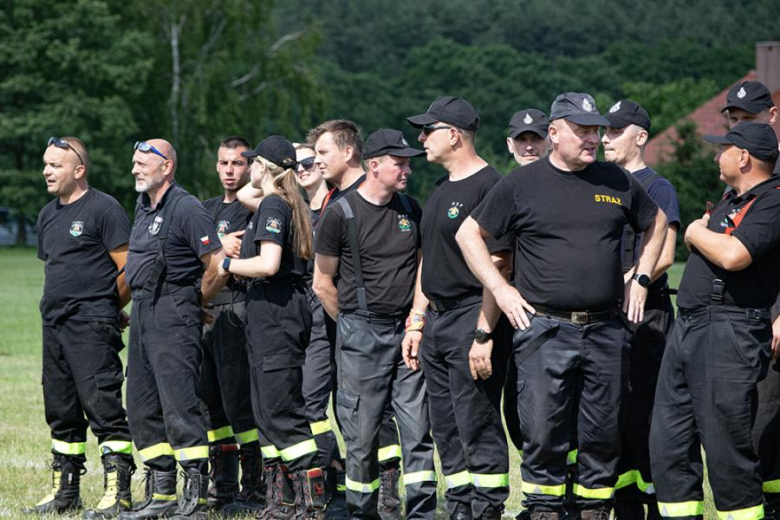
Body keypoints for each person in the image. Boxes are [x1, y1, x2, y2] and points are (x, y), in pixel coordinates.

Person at [457, 92, 666, 520]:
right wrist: (501, 289)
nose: (593, 138)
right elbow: (468, 235)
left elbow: (657, 222)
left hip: (607, 330)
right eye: (582, 130)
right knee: (543, 434)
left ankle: (592, 512)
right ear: (554, 133)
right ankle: (544, 511)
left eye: (596, 130)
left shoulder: (617, 180)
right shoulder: (520, 184)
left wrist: (641, 277)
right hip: (545, 332)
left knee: (603, 435)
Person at [649, 123, 780, 520]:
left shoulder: (772, 200)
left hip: (730, 330)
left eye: (722, 149)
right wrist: (705, 234)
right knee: (668, 440)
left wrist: (692, 231)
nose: (714, 155)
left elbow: (733, 255)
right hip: (689, 327)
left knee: (726, 449)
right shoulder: (731, 198)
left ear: (744, 157)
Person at [313, 128, 437, 520]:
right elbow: (322, 283)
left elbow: (423, 266)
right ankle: (361, 512)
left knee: (418, 434)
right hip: (360, 334)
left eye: (408, 163)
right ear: (374, 165)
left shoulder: (411, 210)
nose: (407, 170)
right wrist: (351, 325)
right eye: (399, 163)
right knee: (362, 438)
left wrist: (416, 319)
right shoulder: (340, 214)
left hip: (407, 336)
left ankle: (420, 513)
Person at [403, 96, 513, 520]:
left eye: (428, 130)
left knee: (477, 424)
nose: (421, 138)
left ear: (454, 135)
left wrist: (484, 333)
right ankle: (462, 509)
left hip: (473, 315)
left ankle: (487, 511)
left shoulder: (492, 186)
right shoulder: (440, 188)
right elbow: (428, 258)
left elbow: (500, 266)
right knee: (446, 428)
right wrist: (416, 320)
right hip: (437, 320)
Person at [220, 135, 327, 519]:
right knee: (266, 412)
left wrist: (227, 265)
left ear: (264, 167)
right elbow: (249, 194)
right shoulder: (280, 201)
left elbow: (267, 264)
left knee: (281, 412)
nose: (246, 168)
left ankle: (310, 503)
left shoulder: (273, 205)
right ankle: (280, 502)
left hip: (277, 314)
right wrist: (269, 172)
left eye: (252, 162)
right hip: (271, 314)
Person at [28, 137, 135, 518]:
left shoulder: (105, 209)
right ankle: (65, 490)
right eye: (45, 164)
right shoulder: (47, 214)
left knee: (102, 405)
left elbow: (127, 270)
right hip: (54, 322)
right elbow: (56, 268)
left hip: (91, 324)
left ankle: (118, 490)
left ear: (78, 170)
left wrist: (107, 307)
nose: (46, 171)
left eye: (55, 165)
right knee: (60, 408)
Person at [120, 139, 226, 520]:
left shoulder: (187, 207)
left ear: (167, 167)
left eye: (143, 163)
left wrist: (196, 301)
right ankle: (161, 494)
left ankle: (194, 498)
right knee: (142, 407)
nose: (135, 169)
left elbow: (216, 263)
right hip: (145, 311)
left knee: (180, 407)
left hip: (175, 311)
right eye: (133, 163)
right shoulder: (143, 206)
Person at [307, 120, 405, 518]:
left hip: (366, 331)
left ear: (349, 153)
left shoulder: (380, 198)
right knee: (346, 413)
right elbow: (324, 280)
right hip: (343, 328)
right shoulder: (332, 199)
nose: (316, 161)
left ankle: (387, 492)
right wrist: (348, 321)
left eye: (323, 153)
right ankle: (343, 485)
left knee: (379, 414)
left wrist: (353, 322)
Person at [602, 100, 680, 520]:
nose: (606, 138)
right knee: (612, 421)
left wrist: (631, 278)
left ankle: (657, 505)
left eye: (616, 131)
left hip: (645, 315)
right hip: (607, 318)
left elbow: (665, 253)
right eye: (605, 131)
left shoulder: (657, 186)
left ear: (642, 137)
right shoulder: (601, 183)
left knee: (645, 418)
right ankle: (626, 507)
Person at [720, 80, 780, 518]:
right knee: (758, 416)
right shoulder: (735, 179)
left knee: (770, 415)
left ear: (772, 118)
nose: (739, 129)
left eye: (750, 120)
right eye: (734, 121)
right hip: (749, 313)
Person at [199, 136, 264, 514]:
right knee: (210, 403)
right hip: (206, 310)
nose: (229, 170)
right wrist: (222, 243)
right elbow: (200, 254)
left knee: (240, 401)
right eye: (224, 163)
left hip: (237, 310)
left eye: (237, 164)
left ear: (249, 167)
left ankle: (253, 487)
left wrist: (217, 248)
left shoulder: (253, 208)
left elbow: (242, 252)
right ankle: (222, 485)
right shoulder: (206, 210)